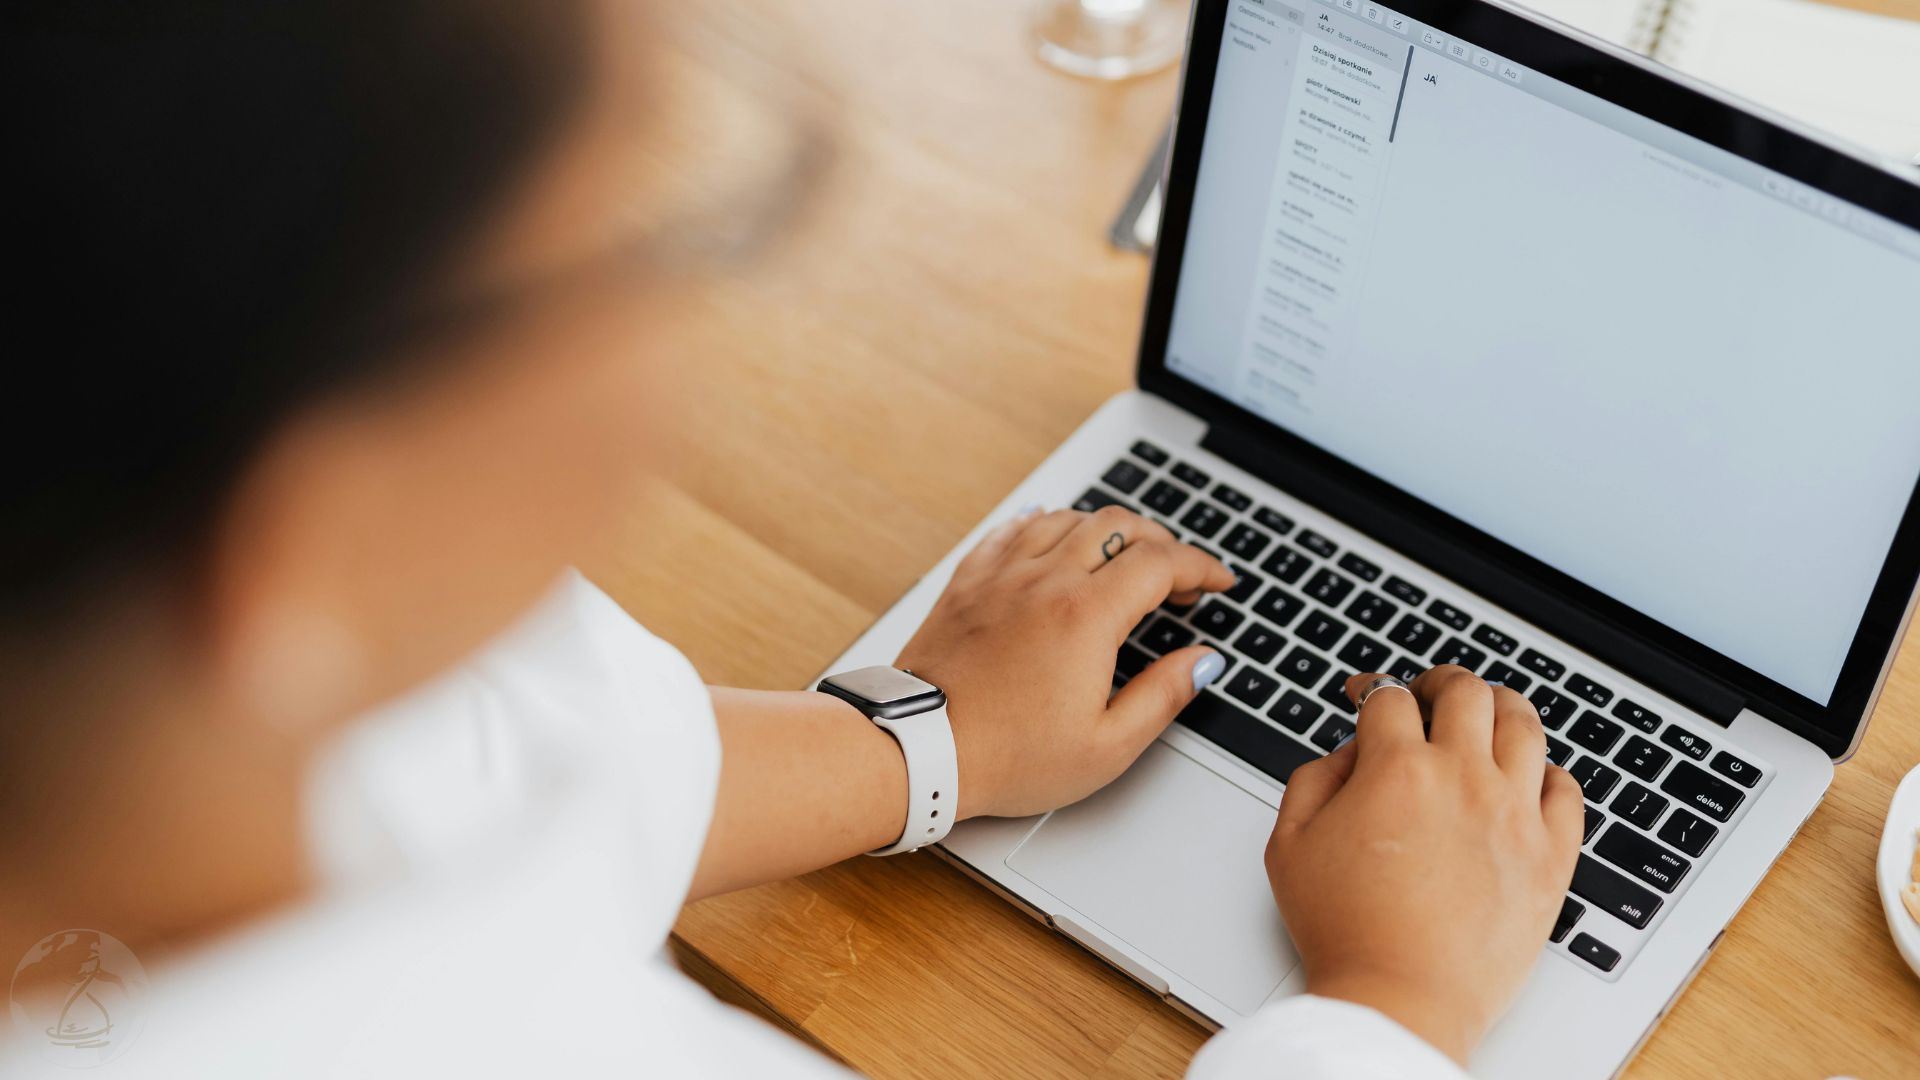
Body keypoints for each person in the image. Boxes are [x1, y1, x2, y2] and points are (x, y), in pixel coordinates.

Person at [0, 2, 1582, 1076]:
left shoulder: (128, 696)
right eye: (647, 236)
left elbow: (493, 756)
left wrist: (926, 741)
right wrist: (1398, 998)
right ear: (305, 540)